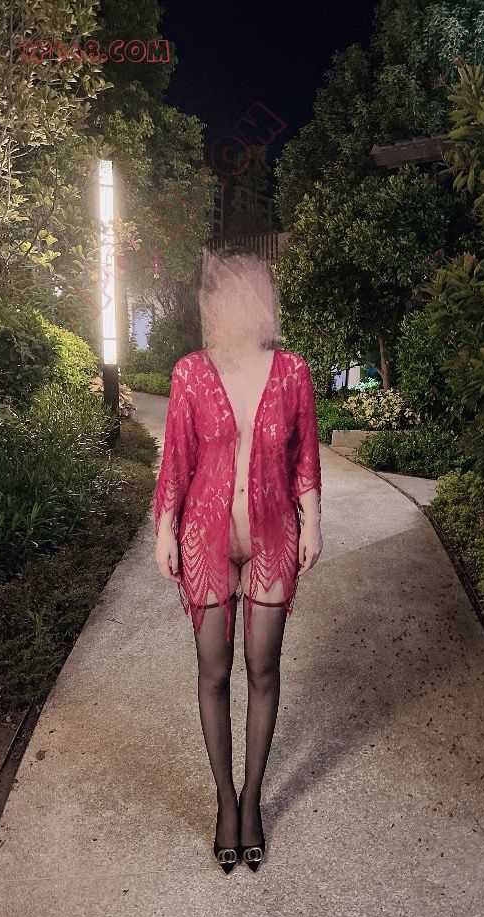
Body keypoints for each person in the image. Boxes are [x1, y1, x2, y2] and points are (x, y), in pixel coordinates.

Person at [152, 242, 323, 874]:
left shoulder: (293, 372)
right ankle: (225, 801)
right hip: (206, 535)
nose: (241, 301)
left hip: (274, 533)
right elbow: (177, 457)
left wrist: (313, 520)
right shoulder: (191, 373)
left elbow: (304, 453)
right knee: (214, 672)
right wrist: (164, 529)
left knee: (263, 669)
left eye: (252, 290)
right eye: (228, 291)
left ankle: (253, 800)